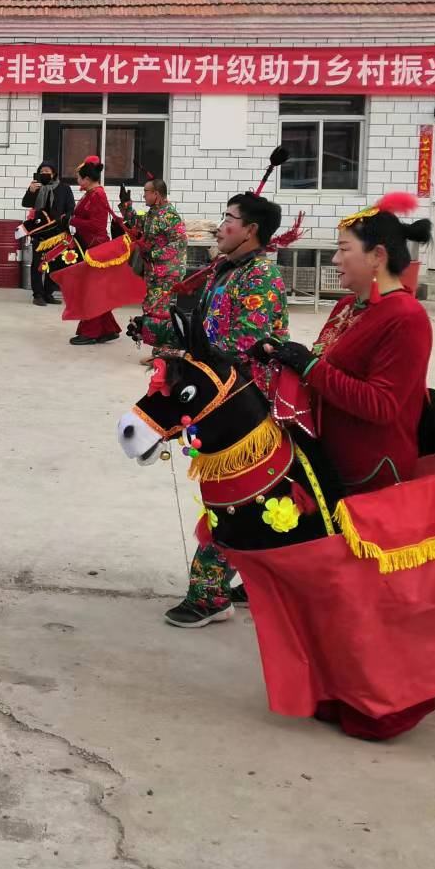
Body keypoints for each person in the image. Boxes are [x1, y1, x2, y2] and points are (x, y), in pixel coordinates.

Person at [254, 193, 435, 741]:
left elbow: (382, 404)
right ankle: (338, 688)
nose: (335, 259)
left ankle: (387, 706)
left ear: (378, 256)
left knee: (371, 599)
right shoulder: (348, 308)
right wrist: (284, 359)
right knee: (336, 595)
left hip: (373, 471)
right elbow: (322, 372)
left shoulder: (406, 318)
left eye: (343, 250)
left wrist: (308, 366)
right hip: (328, 460)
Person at [166, 190, 289, 628]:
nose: (220, 227)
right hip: (217, 397)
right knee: (248, 500)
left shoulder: (261, 277)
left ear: (251, 230)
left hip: (247, 407)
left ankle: (210, 594)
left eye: (228, 218)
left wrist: (187, 359)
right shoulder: (225, 269)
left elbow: (244, 346)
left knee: (233, 499)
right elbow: (205, 329)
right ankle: (262, 578)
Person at [119, 179, 187, 362]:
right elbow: (135, 222)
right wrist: (126, 205)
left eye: (146, 192)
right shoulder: (153, 214)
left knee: (158, 312)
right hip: (154, 271)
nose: (144, 196)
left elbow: (180, 243)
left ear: (156, 194)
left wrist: (154, 253)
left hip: (167, 272)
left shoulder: (170, 216)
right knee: (152, 309)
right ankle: (161, 351)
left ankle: (163, 355)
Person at [68, 157, 121, 345]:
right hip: (89, 245)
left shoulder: (97, 195)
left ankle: (90, 332)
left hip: (96, 247)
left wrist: (71, 220)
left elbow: (96, 225)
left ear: (87, 179)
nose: (77, 181)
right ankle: (107, 329)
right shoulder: (92, 193)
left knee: (90, 290)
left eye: (79, 178)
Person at [22, 161, 75, 307]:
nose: (44, 173)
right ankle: (38, 294)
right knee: (38, 264)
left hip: (58, 233)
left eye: (47, 171)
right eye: (42, 171)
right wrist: (31, 191)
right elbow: (26, 203)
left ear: (54, 173)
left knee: (55, 263)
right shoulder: (36, 187)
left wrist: (65, 218)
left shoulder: (64, 188)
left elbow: (71, 207)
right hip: (40, 232)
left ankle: (48, 293)